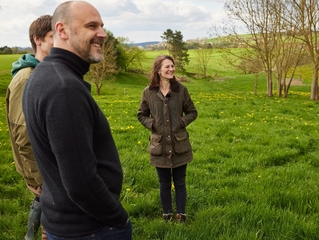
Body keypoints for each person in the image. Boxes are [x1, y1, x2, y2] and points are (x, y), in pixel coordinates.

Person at [22, 1, 132, 239]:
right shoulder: (64, 87)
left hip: (65, 220)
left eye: (102, 26)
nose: (102, 34)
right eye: (92, 26)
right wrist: (118, 218)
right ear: (62, 30)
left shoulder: (43, 74)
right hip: (89, 227)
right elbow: (81, 183)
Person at [6, 15, 53, 240]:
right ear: (38, 40)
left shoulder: (48, 71)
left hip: (53, 164)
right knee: (52, 219)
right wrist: (39, 179)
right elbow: (22, 134)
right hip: (43, 170)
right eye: (54, 36)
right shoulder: (26, 77)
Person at [137, 55, 197, 223]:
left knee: (180, 182)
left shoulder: (181, 90)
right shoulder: (148, 92)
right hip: (159, 146)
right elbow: (141, 115)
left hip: (180, 145)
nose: (171, 69)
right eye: (167, 67)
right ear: (158, 70)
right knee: (164, 184)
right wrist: (152, 124)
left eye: (172, 66)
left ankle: (182, 215)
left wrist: (181, 122)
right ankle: (167, 215)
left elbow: (193, 112)